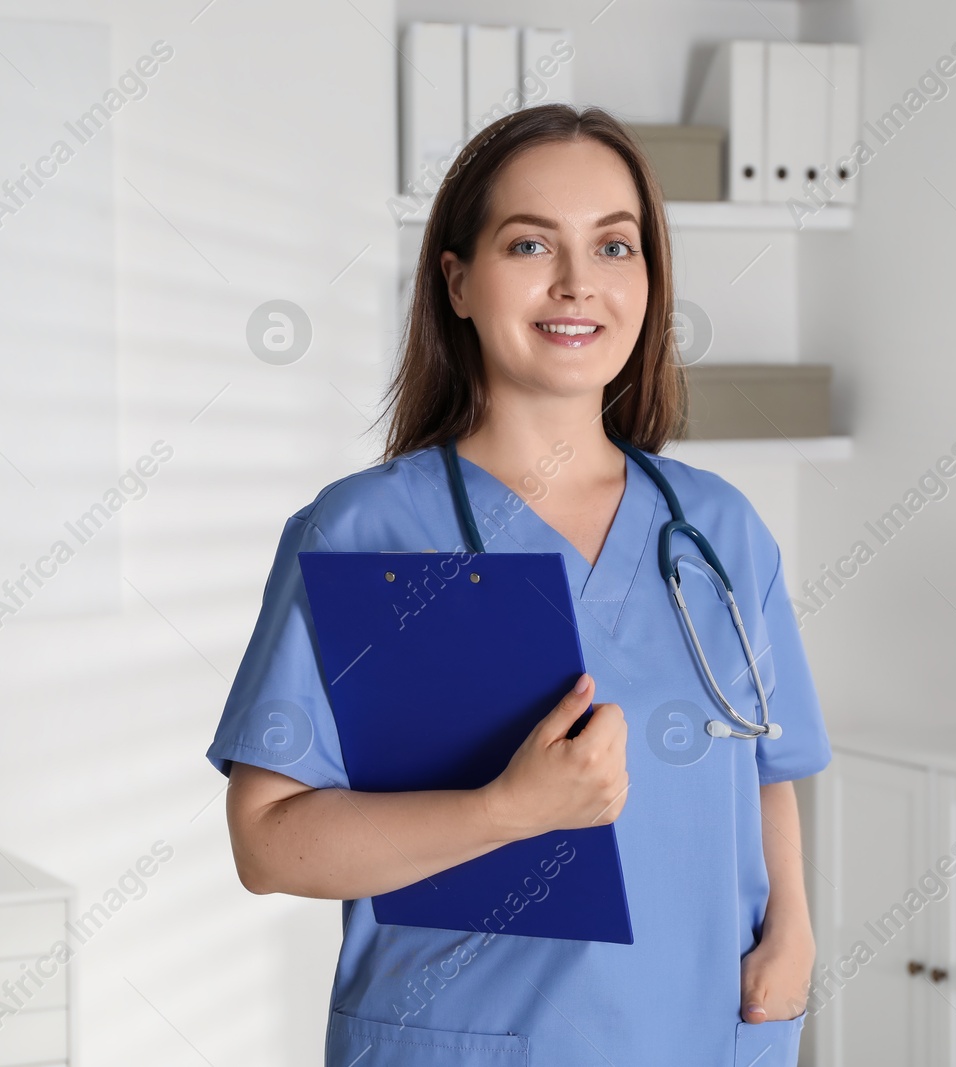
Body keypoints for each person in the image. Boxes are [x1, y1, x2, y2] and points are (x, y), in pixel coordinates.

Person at [207, 102, 832, 1066]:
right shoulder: (363, 531)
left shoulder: (715, 530)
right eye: (531, 242)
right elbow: (268, 844)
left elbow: (764, 767)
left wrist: (792, 935)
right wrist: (511, 809)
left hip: (706, 1032)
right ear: (457, 281)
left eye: (616, 247)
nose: (578, 283)